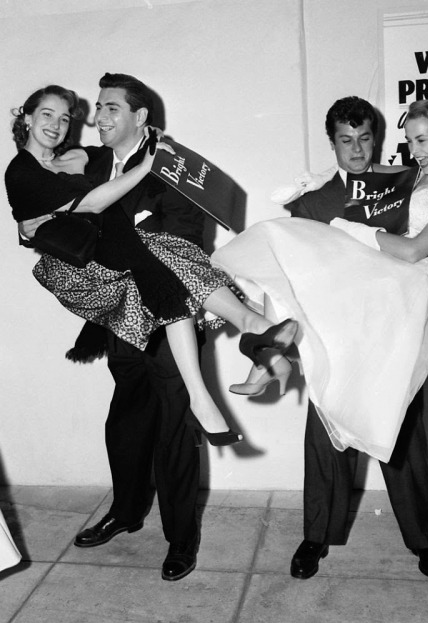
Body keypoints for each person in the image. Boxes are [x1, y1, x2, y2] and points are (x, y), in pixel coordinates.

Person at [6, 78, 297, 580]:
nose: (98, 117)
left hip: (169, 314)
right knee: (126, 420)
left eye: (111, 109)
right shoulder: (88, 161)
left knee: (174, 429)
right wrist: (29, 224)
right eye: (96, 108)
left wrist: (127, 237)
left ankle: (181, 539)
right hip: (119, 315)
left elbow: (186, 244)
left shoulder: (175, 170)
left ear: (139, 118)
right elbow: (51, 210)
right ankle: (125, 510)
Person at [212, 96, 428, 579]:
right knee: (326, 421)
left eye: (367, 140)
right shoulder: (351, 189)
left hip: (398, 315)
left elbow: (424, 241)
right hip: (343, 319)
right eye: (347, 141)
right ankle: (315, 536)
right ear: (334, 143)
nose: (359, 151)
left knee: (400, 423)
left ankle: (423, 540)